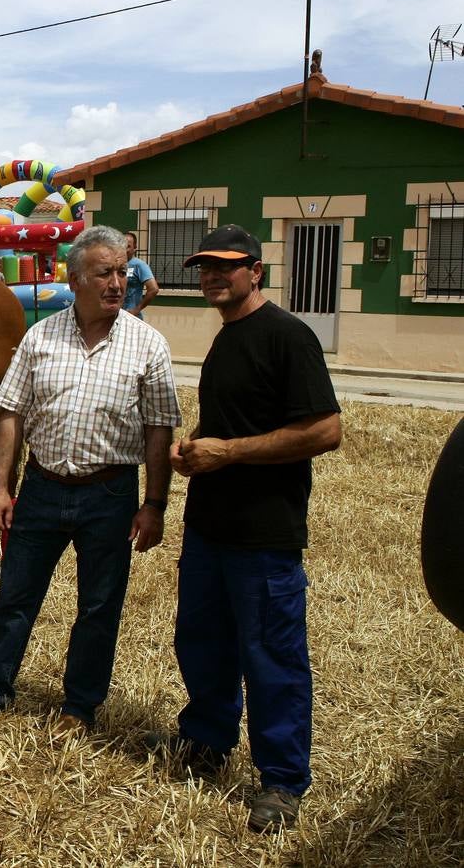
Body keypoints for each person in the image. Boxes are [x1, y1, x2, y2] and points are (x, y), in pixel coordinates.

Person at [0, 225, 181, 733]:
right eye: (104, 273)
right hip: (43, 488)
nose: (117, 283)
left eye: (122, 272)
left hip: (111, 493)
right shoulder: (39, 337)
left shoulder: (149, 345)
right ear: (75, 281)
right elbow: (9, 414)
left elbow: (160, 429)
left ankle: (79, 707)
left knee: (99, 606)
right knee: (14, 596)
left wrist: (154, 504)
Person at [158, 224, 341, 833]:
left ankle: (282, 781)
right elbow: (231, 421)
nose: (212, 276)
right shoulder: (228, 336)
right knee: (202, 643)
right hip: (209, 526)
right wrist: (194, 449)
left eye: (226, 266)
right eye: (204, 268)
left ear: (255, 271)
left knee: (272, 658)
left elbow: (325, 431)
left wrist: (229, 452)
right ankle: (206, 741)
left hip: (264, 533)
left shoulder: (288, 336)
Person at [124, 232, 159, 317]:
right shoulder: (116, 265)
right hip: (115, 315)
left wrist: (137, 309)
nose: (124, 249)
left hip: (131, 317)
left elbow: (153, 289)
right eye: (122, 245)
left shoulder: (139, 265)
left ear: (135, 248)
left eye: (128, 246)